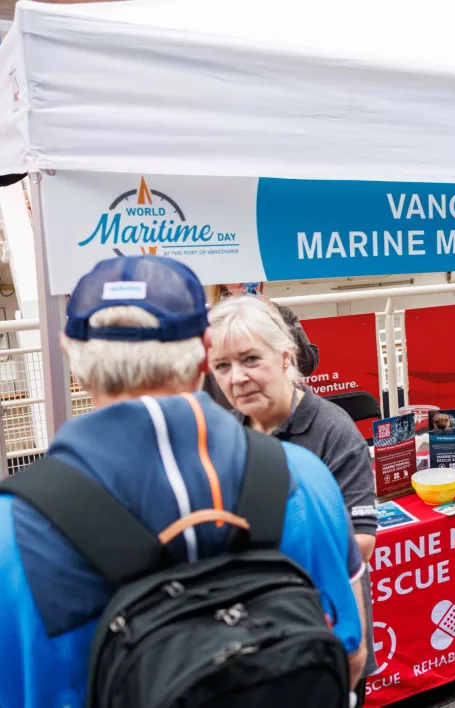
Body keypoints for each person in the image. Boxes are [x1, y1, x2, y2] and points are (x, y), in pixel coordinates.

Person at [0, 256, 367, 707]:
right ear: (204, 350)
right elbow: (350, 656)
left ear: (70, 354)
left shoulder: (15, 530)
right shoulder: (301, 478)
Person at [207, 294, 379, 696]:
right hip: (251, 639)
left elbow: (361, 541)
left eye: (251, 359)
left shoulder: (332, 431)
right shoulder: (224, 437)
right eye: (222, 366)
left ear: (285, 357)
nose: (237, 378)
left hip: (327, 633)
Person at [203, 282, 319, 410]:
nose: (247, 282)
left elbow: (307, 366)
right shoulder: (209, 320)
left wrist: (277, 319)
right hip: (230, 413)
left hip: (278, 409)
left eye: (252, 275)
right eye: (237, 276)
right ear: (223, 283)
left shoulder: (281, 313)